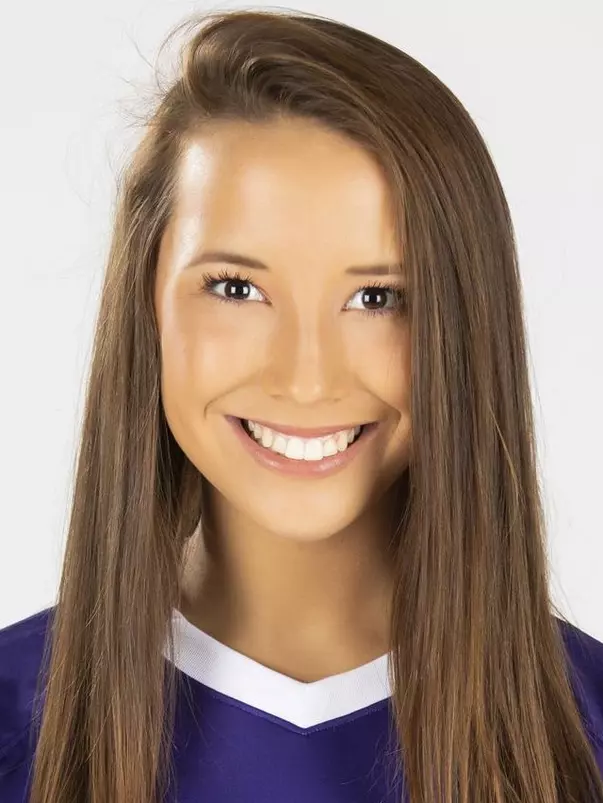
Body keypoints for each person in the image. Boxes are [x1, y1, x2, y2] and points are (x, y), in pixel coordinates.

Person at [0, 7, 602, 803]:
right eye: (235, 288)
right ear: (145, 304)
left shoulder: (584, 736)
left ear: (463, 324)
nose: (306, 377)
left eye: (377, 297)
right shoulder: (14, 724)